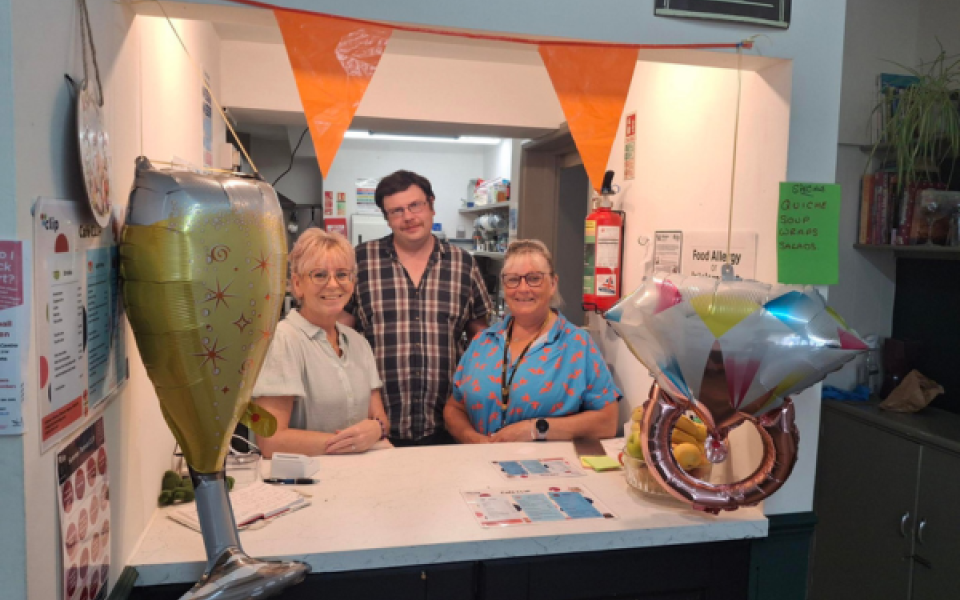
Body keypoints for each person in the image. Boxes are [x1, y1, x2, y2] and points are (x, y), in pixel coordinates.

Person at [344, 170, 493, 446]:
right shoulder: (360, 261)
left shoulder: (463, 264)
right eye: (397, 211)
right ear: (386, 218)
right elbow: (338, 336)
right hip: (375, 426)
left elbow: (481, 340)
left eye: (415, 205)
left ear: (431, 205)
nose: (408, 217)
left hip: (449, 425)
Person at [444, 239, 621, 443]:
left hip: (546, 471)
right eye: (513, 279)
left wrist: (535, 429)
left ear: (553, 283)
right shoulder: (483, 342)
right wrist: (471, 438)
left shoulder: (576, 345)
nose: (523, 288)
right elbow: (454, 408)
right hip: (482, 467)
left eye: (534, 278)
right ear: (504, 285)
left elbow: (607, 422)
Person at [252, 228, 389, 457]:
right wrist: (355, 443)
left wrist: (377, 429)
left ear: (353, 283)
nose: (333, 284)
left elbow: (378, 419)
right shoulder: (282, 341)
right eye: (319, 275)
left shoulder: (357, 342)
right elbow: (271, 440)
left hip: (358, 476)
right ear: (297, 284)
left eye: (342, 274)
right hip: (303, 483)